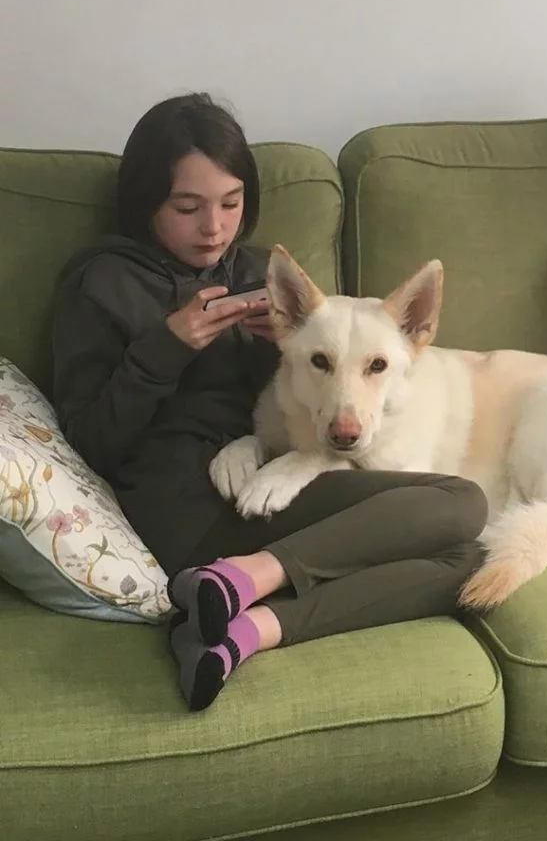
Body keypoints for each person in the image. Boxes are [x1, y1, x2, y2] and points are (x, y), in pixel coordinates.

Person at [51, 93, 487, 713]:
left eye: (231, 204)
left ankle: (243, 625)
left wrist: (290, 349)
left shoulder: (261, 274)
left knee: (469, 554)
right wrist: (163, 349)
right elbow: (89, 440)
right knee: (459, 503)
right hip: (181, 504)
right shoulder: (101, 283)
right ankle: (245, 580)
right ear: (146, 201)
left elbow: (295, 403)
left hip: (264, 482)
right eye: (187, 207)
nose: (214, 227)